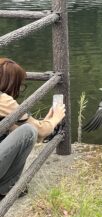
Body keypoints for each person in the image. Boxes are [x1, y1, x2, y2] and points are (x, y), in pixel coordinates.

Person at [0, 57, 66, 199]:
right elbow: (36, 131)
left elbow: (21, 127)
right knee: (28, 132)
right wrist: (55, 118)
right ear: (10, 82)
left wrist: (46, 122)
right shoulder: (3, 100)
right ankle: (7, 188)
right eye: (19, 84)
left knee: (20, 129)